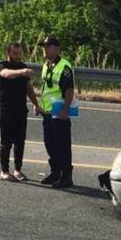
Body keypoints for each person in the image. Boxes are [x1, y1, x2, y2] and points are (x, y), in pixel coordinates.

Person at [0, 42, 40, 182]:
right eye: (15, 53)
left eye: (20, 53)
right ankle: (4, 171)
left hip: (21, 110)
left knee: (20, 142)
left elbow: (28, 88)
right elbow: (6, 74)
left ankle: (18, 170)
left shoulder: (23, 67)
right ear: (8, 53)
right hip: (6, 110)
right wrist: (22, 72)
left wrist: (36, 104)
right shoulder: (2, 66)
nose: (18, 56)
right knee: (6, 142)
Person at [38, 36, 75, 189]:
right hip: (47, 111)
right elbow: (45, 88)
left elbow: (69, 89)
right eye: (44, 46)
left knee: (62, 145)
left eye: (48, 46)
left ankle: (66, 176)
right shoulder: (46, 65)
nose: (45, 49)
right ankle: (55, 172)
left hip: (59, 111)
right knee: (50, 143)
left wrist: (66, 109)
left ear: (56, 48)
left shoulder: (64, 66)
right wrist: (39, 105)